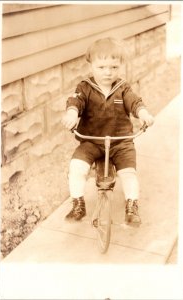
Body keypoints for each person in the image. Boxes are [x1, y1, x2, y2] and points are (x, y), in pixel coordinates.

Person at [61, 37, 154, 225]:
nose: (108, 72)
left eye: (113, 67)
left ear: (120, 66)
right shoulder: (85, 87)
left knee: (129, 173)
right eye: (101, 67)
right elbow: (75, 102)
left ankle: (132, 205)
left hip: (121, 142)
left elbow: (135, 102)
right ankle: (78, 203)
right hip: (91, 141)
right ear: (91, 65)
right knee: (76, 168)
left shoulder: (123, 88)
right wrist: (71, 114)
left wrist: (143, 113)